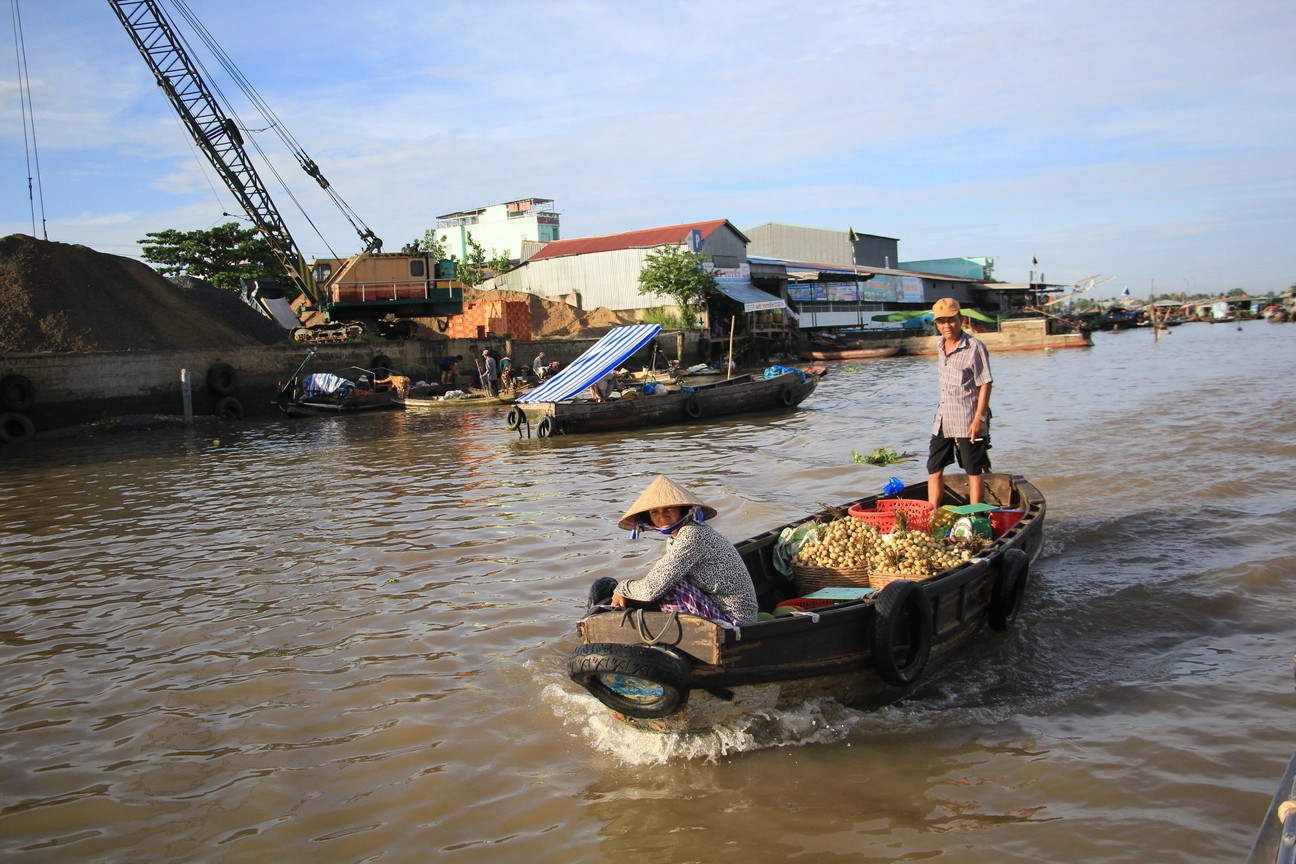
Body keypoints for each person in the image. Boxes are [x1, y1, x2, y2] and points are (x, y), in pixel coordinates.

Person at [587, 475, 759, 626]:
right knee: (663, 582)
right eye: (655, 512)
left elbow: (651, 589)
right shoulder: (678, 537)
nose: (662, 516)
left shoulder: (693, 535)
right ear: (648, 518)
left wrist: (622, 587)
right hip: (719, 609)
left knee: (666, 587)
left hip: (734, 622)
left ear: (682, 510)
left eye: (669, 509)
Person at [926, 297, 993, 510]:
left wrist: (979, 419)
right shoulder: (940, 345)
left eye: (951, 320)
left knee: (973, 470)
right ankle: (931, 516)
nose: (947, 325)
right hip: (944, 417)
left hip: (968, 417)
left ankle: (975, 518)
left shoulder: (974, 347)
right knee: (934, 467)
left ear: (960, 320)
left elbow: (985, 383)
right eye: (941, 321)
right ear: (937, 324)